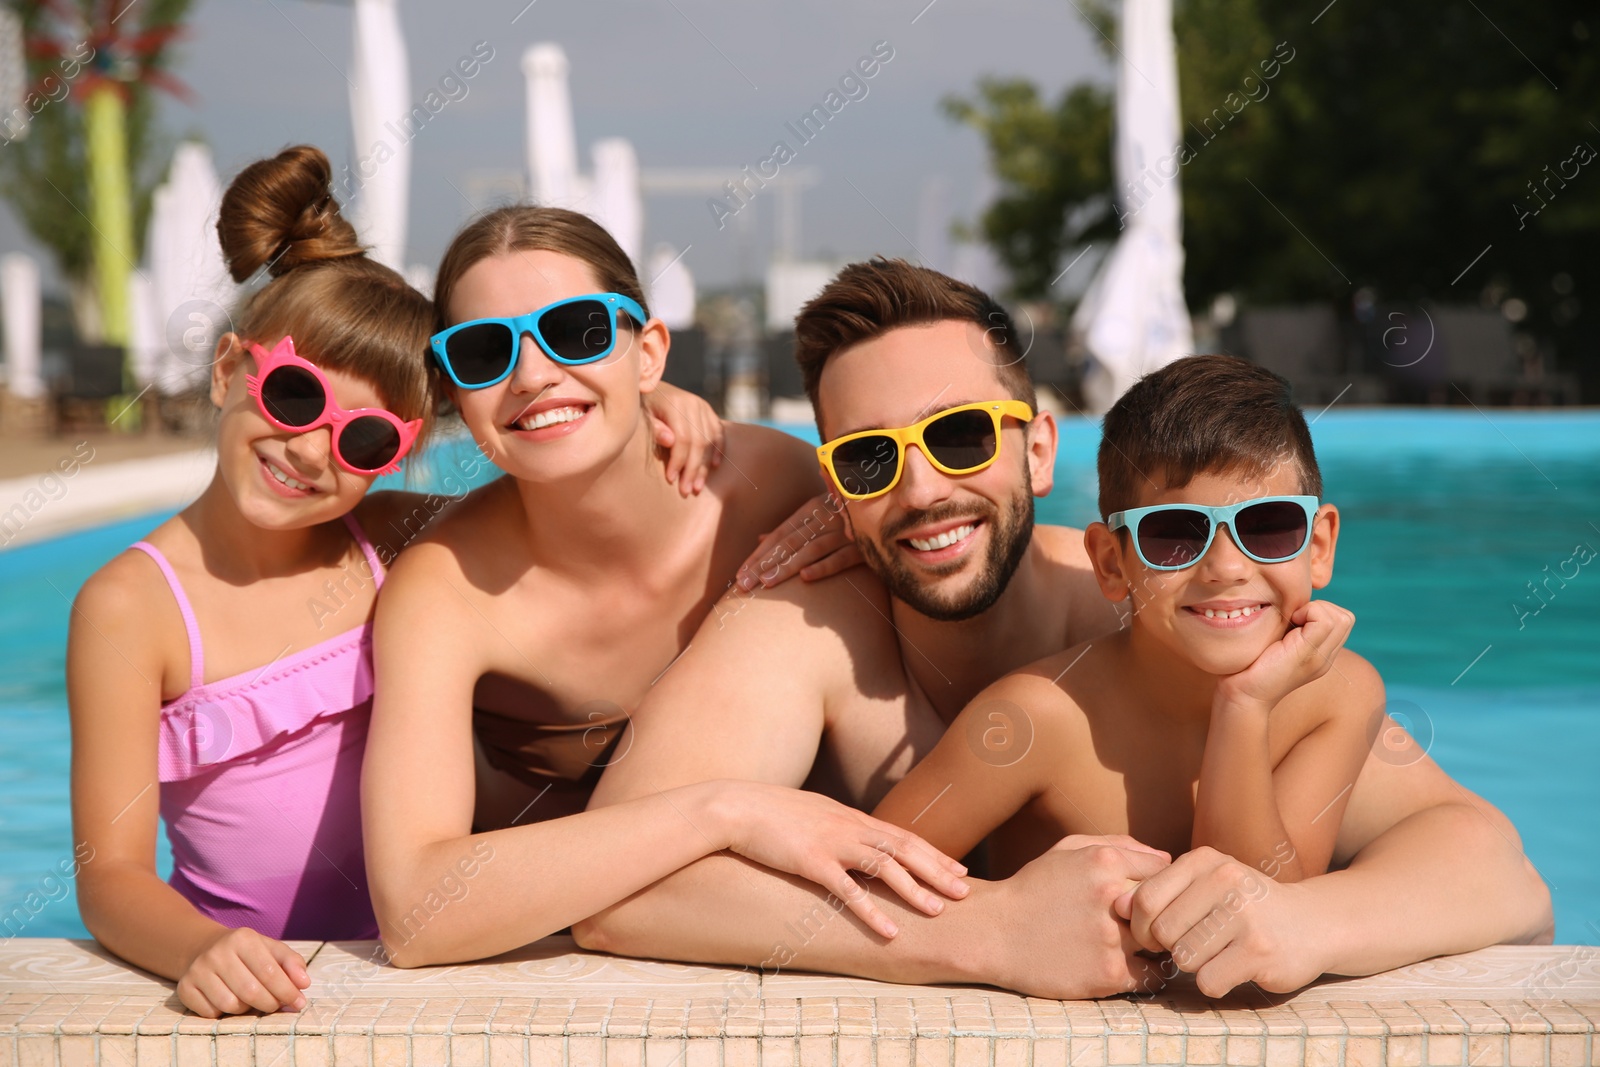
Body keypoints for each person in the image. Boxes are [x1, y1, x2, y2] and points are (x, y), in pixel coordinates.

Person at [578, 258, 1552, 999]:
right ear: (835, 488)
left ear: (1040, 448)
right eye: (870, 458)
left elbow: (1492, 867)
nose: (923, 489)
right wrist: (989, 928)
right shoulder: (801, 631)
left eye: (960, 433)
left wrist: (1307, 926)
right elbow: (614, 887)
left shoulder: (1178, 607)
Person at [66, 147, 725, 1019]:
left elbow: (547, 477)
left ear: (396, 458)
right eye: (295, 397)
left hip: (457, 955)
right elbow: (108, 875)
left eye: (366, 440)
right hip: (268, 968)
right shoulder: (135, 607)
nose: (311, 450)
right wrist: (198, 949)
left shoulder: (380, 537)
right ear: (228, 369)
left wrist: (652, 397)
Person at [360, 208, 965, 969]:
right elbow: (418, 913)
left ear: (648, 354)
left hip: (789, 910)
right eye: (484, 351)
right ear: (454, 393)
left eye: (576, 331)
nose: (533, 375)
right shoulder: (447, 590)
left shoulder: (769, 483)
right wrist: (727, 812)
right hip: (578, 953)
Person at [873, 355, 1372, 896]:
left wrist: (1244, 707)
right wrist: (1002, 920)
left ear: (1318, 547)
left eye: (1267, 527)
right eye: (1174, 534)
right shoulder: (1033, 721)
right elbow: (853, 890)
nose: (1227, 569)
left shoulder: (1340, 697)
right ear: (1112, 564)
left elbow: (1258, 917)